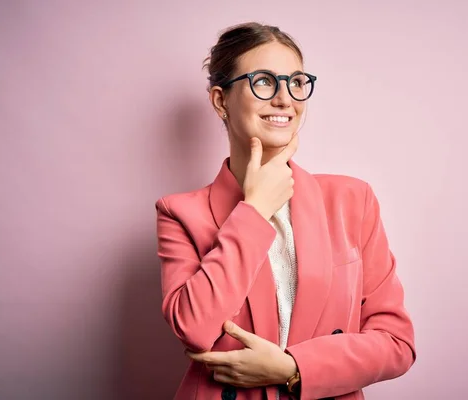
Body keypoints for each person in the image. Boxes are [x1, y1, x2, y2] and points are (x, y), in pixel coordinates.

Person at [156, 22, 416, 400]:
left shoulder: (351, 200)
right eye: (264, 81)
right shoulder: (179, 213)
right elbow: (194, 326)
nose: (284, 99)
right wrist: (255, 209)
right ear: (220, 99)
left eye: (295, 82)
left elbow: (397, 343)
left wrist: (294, 368)